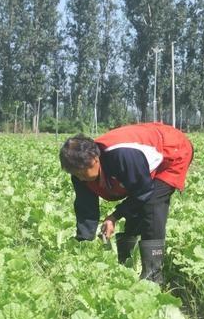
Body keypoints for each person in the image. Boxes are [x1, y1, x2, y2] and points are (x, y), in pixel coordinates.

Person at [59, 122, 193, 284]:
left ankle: (153, 275)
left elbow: (143, 192)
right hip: (141, 163)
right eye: (75, 174)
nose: (80, 178)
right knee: (136, 205)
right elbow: (85, 209)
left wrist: (114, 216)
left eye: (81, 172)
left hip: (171, 151)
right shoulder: (80, 171)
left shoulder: (122, 155)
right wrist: (83, 246)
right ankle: (126, 261)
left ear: (95, 159)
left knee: (151, 204)